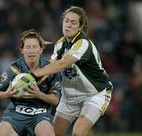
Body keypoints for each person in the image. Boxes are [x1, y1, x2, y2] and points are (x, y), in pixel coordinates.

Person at [31, 6, 113, 136]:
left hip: (95, 94)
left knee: (78, 133)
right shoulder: (59, 44)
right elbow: (52, 67)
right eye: (66, 21)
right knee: (53, 134)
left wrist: (36, 73)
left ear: (80, 27)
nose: (68, 25)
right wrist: (34, 82)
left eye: (73, 22)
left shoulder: (84, 43)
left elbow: (62, 64)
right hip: (70, 97)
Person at [0, 30, 62, 136]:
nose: (31, 51)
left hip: (40, 114)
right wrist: (7, 94)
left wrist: (39, 94)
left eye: (34, 47)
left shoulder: (50, 70)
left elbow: (56, 100)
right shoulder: (13, 69)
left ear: (41, 49)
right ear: (22, 50)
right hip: (15, 114)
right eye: (28, 47)